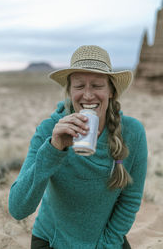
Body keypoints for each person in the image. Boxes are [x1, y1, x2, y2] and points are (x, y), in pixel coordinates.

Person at [9, 45, 147, 249]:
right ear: (70, 91)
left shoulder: (132, 133)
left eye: (97, 85)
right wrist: (54, 149)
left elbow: (130, 201)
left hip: (105, 240)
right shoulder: (49, 130)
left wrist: (106, 244)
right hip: (52, 240)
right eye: (79, 86)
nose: (88, 95)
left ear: (111, 91)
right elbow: (18, 208)